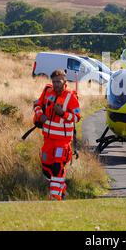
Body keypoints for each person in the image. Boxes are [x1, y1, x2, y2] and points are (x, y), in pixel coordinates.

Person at [33, 70, 81, 200]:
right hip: (48, 139)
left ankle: (55, 196)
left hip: (62, 141)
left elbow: (77, 117)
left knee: (57, 166)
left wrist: (63, 114)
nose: (56, 84)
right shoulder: (48, 93)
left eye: (58, 81)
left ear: (64, 82)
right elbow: (36, 105)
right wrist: (40, 115)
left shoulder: (71, 97)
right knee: (46, 167)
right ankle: (61, 188)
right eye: (54, 81)